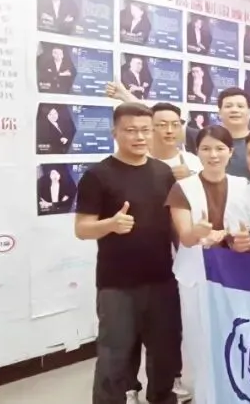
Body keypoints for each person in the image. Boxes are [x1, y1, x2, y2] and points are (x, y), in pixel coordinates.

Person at [73, 103, 181, 404]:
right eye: (131, 130)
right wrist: (110, 224)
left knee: (165, 354)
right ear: (115, 133)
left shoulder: (163, 172)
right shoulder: (98, 175)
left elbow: (174, 225)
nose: (139, 137)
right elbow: (82, 228)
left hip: (162, 280)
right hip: (117, 284)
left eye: (146, 130)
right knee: (114, 358)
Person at [165, 125, 250, 403]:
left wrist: (235, 236)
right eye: (206, 148)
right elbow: (186, 237)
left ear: (231, 152)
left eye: (219, 148)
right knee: (200, 339)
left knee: (237, 337)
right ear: (197, 152)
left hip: (235, 275)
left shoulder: (243, 185)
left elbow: (248, 231)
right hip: (196, 274)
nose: (213, 155)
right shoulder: (183, 188)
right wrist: (199, 232)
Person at [150, 103, 203, 180]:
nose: (170, 131)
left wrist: (190, 179)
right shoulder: (139, 160)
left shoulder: (194, 162)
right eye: (162, 125)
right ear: (150, 128)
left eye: (175, 125)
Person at [217, 88, 250, 179]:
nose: (234, 110)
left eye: (240, 106)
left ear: (249, 112)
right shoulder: (208, 141)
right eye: (228, 106)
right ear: (219, 113)